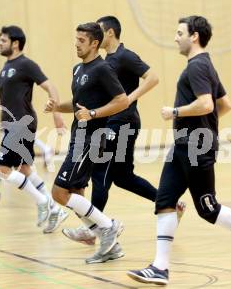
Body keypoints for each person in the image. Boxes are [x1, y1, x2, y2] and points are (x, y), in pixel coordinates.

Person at [126, 16, 231, 285]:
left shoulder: (197, 66)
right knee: (164, 200)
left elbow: (207, 104)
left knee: (208, 208)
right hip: (185, 144)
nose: (175, 38)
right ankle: (160, 268)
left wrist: (176, 112)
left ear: (194, 36)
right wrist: (204, 127)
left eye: (179, 33)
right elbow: (226, 105)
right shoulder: (205, 64)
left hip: (196, 146)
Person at [62, 16, 186, 264]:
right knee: (123, 177)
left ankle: (95, 229)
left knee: (100, 173)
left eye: (99, 29)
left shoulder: (125, 56)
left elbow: (152, 78)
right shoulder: (104, 62)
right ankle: (171, 202)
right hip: (112, 122)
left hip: (122, 122)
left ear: (108, 33)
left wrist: (129, 98)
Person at [45, 22, 129, 263]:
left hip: (92, 140)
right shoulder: (77, 69)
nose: (76, 44)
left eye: (82, 41)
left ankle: (108, 225)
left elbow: (122, 101)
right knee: (75, 192)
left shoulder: (103, 69)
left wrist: (93, 114)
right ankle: (110, 246)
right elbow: (78, 104)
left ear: (94, 43)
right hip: (78, 138)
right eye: (76, 39)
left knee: (59, 193)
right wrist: (56, 107)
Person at [0, 25, 68, 233]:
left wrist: (57, 114)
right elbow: (4, 97)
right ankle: (55, 209)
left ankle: (43, 201)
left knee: (3, 169)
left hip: (22, 123)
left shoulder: (26, 64)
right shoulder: (4, 69)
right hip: (11, 124)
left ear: (15, 43)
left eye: (3, 40)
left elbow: (51, 87)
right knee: (25, 170)